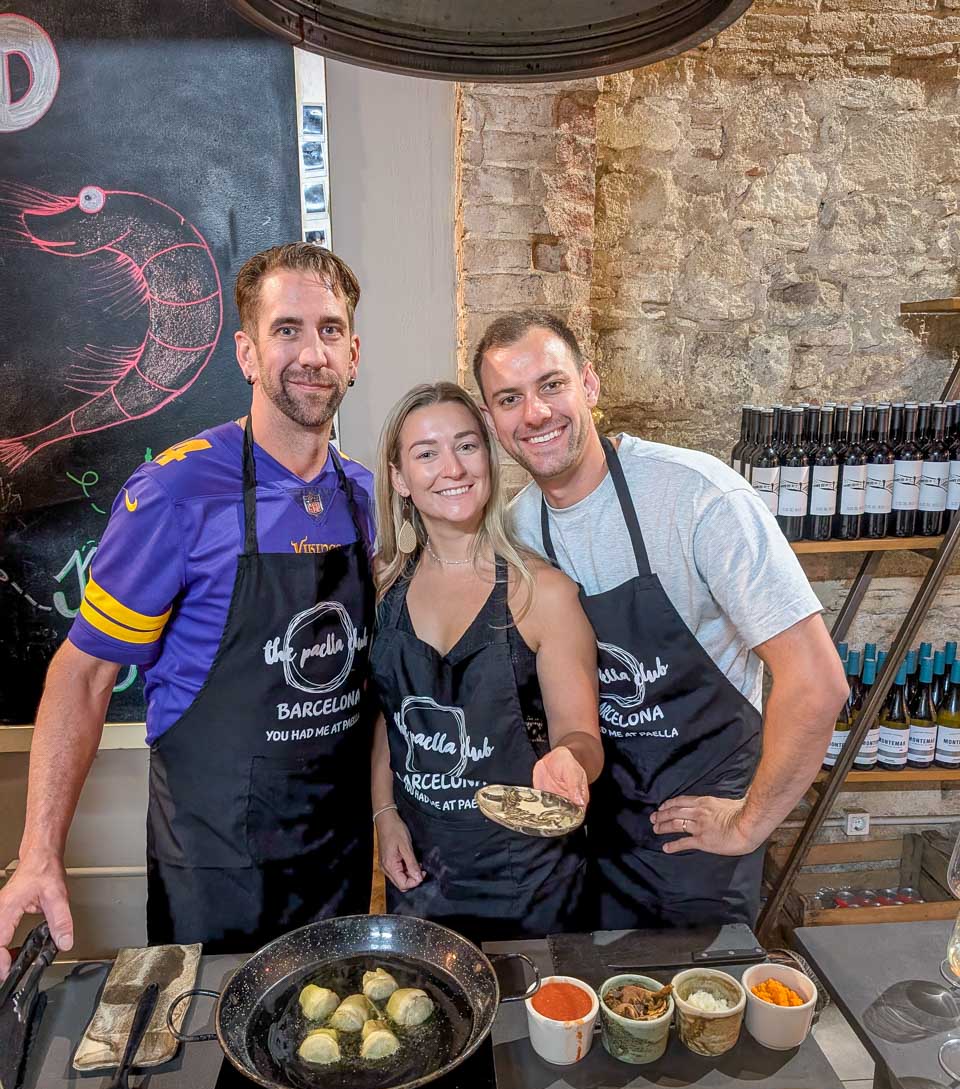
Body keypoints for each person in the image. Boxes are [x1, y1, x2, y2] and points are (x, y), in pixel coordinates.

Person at [0, 243, 376, 971]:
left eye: (330, 330)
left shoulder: (362, 495)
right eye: (287, 329)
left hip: (337, 858)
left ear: (353, 353)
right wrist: (38, 855)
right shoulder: (172, 493)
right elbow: (81, 678)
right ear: (246, 351)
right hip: (215, 867)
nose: (311, 352)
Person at [474, 311, 848, 930]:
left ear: (589, 386)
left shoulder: (697, 497)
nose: (534, 414)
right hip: (594, 836)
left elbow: (816, 683)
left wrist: (747, 822)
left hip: (699, 838)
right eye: (509, 399)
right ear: (491, 421)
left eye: (551, 385)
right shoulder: (517, 530)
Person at [369, 381, 603, 943]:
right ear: (400, 478)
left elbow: (582, 735)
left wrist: (570, 762)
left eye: (467, 446)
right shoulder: (382, 591)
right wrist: (384, 814)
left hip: (530, 881)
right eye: (426, 453)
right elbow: (388, 716)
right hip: (422, 876)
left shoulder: (542, 593)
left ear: (490, 459)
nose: (452, 468)